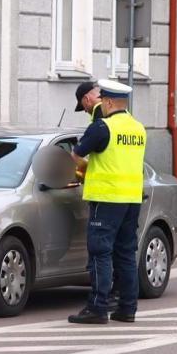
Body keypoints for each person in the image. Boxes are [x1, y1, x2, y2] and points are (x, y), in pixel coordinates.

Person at [67, 79, 146, 324]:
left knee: (101, 253)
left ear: (109, 101)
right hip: (132, 199)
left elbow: (76, 156)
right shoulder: (138, 128)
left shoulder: (102, 127)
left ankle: (98, 307)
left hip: (106, 199)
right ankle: (127, 309)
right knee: (126, 254)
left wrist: (86, 170)